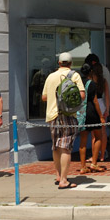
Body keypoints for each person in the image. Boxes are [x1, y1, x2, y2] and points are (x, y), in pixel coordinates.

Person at [41, 53, 85, 189]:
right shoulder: (74, 75)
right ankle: (64, 180)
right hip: (68, 115)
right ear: (70, 64)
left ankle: (58, 175)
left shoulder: (51, 76)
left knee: (56, 146)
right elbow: (82, 95)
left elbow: (44, 97)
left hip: (53, 116)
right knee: (66, 148)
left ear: (59, 63)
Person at [86, 62, 108, 171]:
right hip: (102, 103)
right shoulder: (103, 81)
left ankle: (94, 156)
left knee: (94, 134)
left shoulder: (91, 81)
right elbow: (107, 96)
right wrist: (107, 109)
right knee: (102, 132)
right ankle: (102, 155)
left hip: (94, 105)